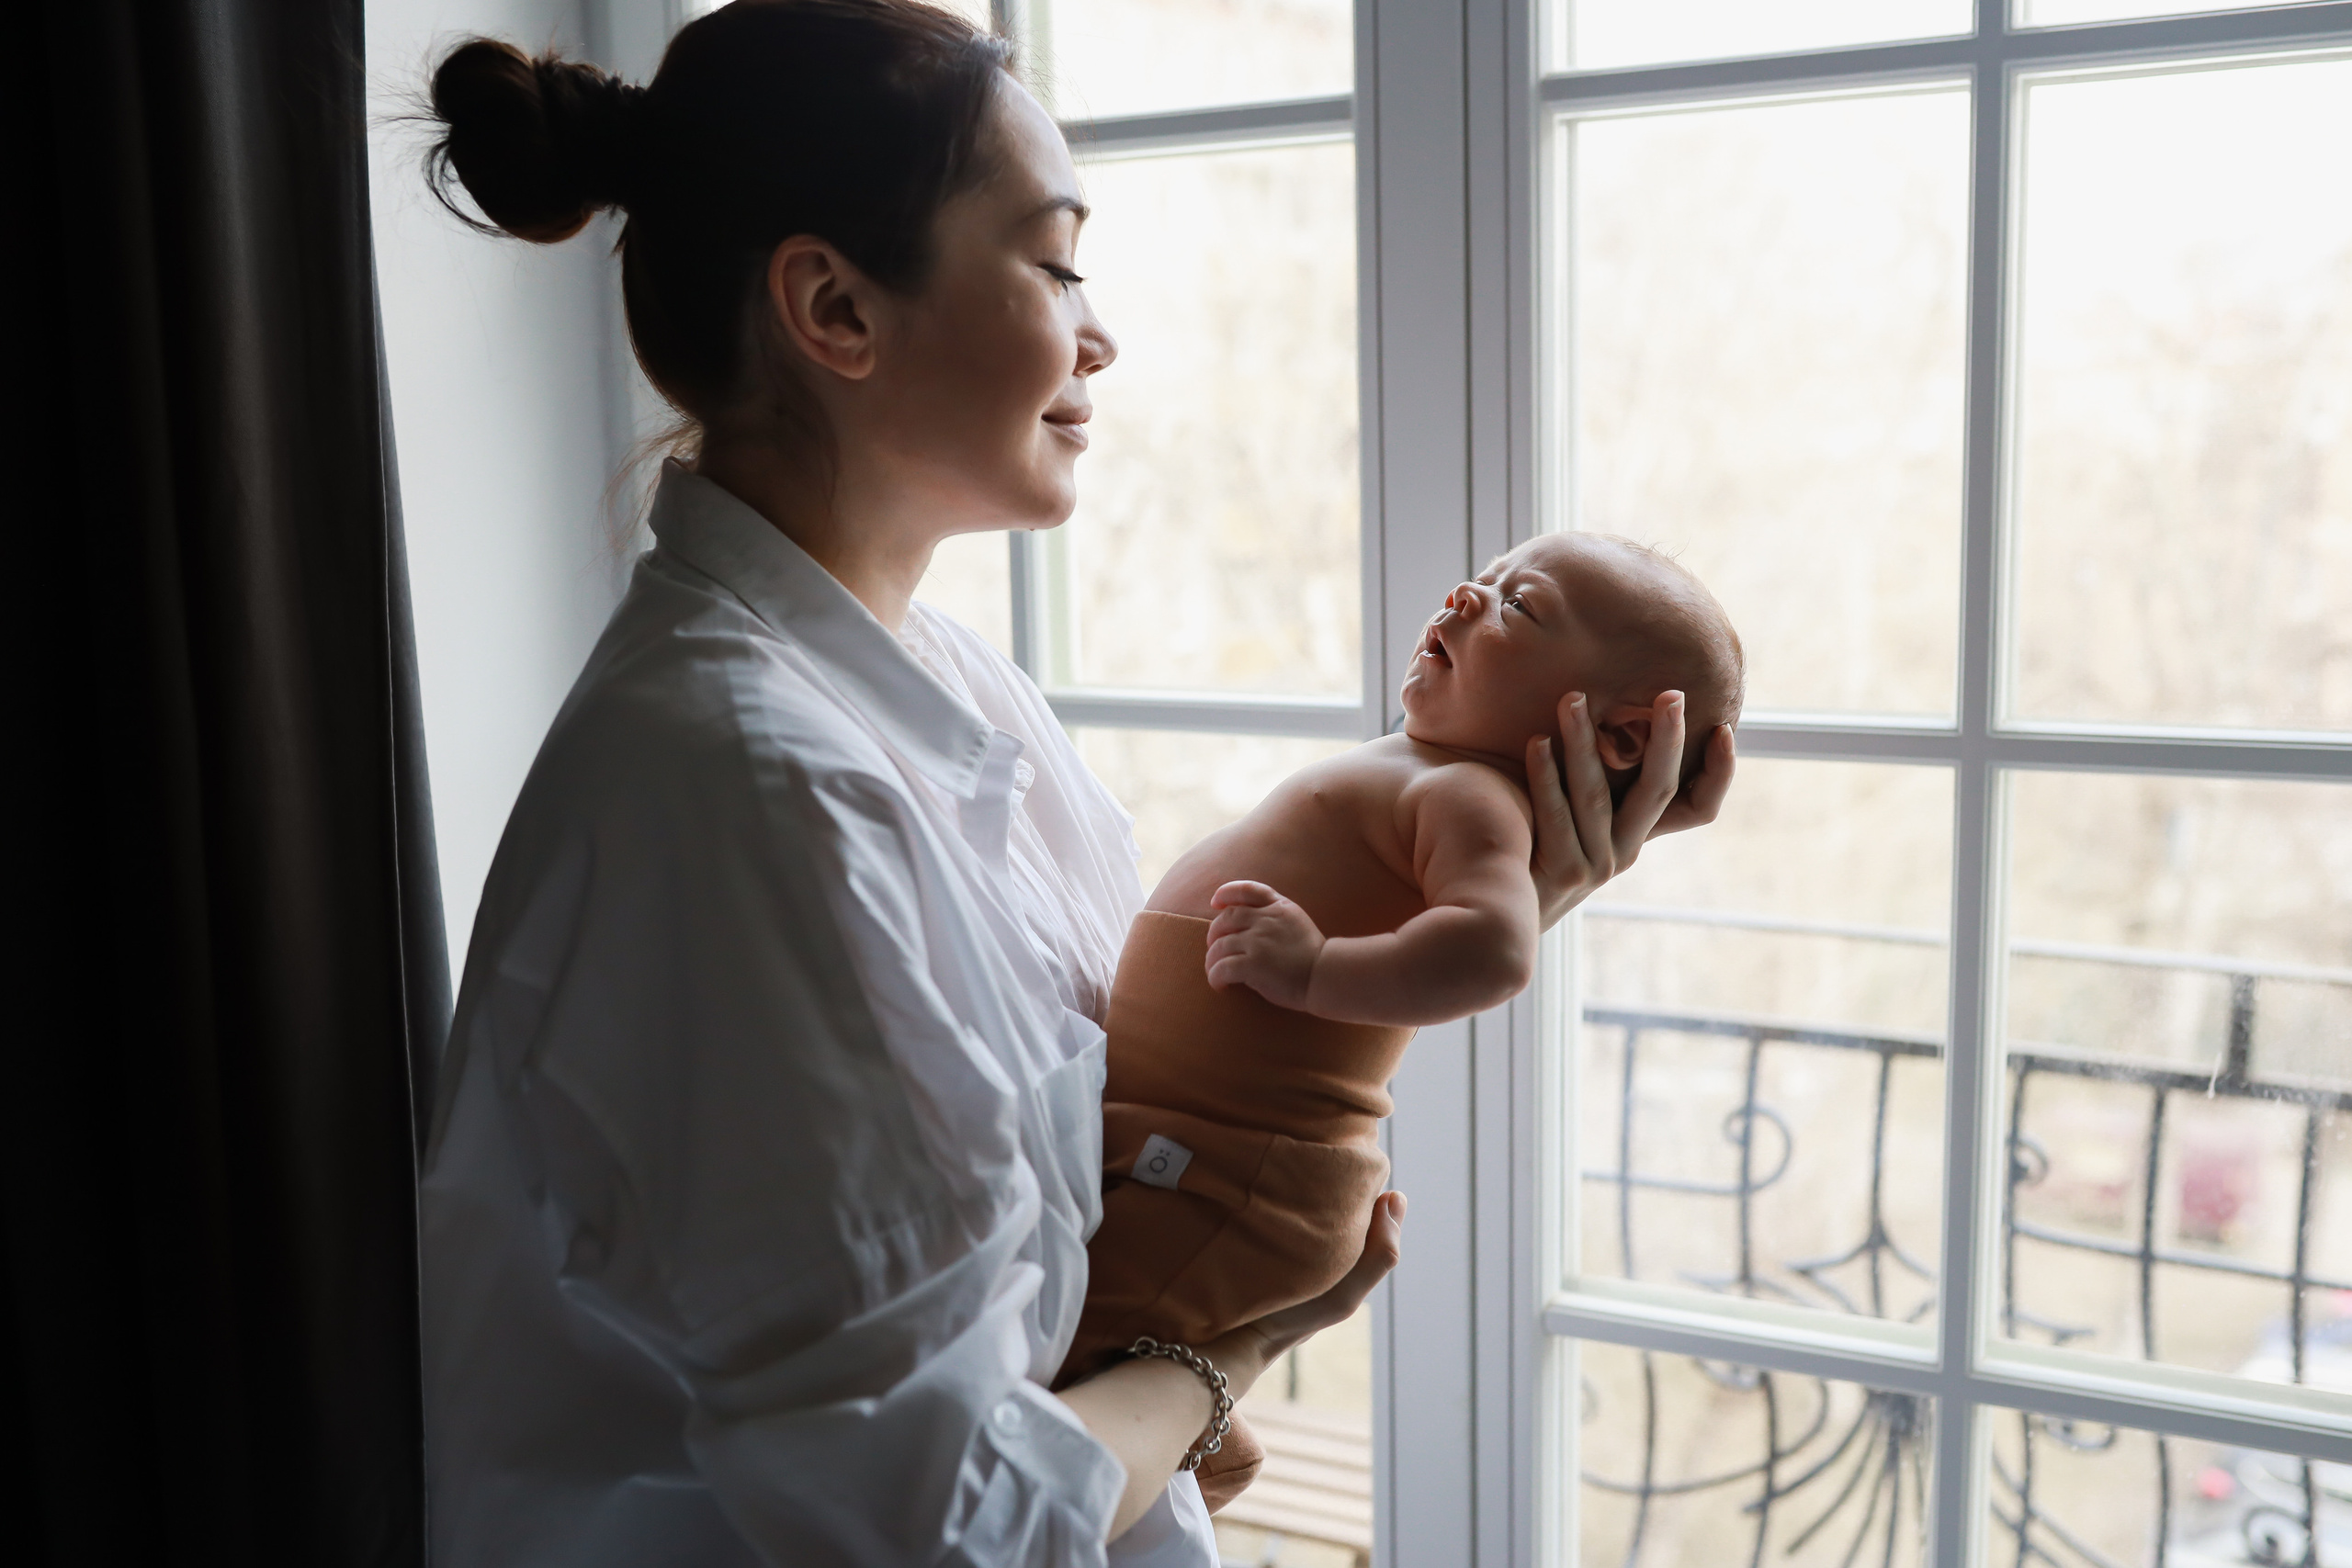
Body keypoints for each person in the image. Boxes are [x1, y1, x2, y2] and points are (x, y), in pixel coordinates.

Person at [413, 4, 1736, 1565]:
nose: (1099, 334)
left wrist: (1501, 888)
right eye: (1052, 264)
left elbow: (1117, 1161)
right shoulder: (760, 798)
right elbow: (952, 1532)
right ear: (835, 306)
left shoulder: (956, 696)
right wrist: (1222, 1352)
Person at [1060, 533, 1742, 1508]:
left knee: (1064, 1346)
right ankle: (1198, 1440)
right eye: (1485, 578)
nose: (1467, 594)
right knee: (1091, 1328)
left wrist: (1311, 970)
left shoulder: (1471, 798)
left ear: (1620, 737)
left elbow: (1495, 948)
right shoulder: (1425, 770)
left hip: (1235, 1175)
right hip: (1197, 1151)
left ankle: (1206, 1461)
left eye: (1520, 606)